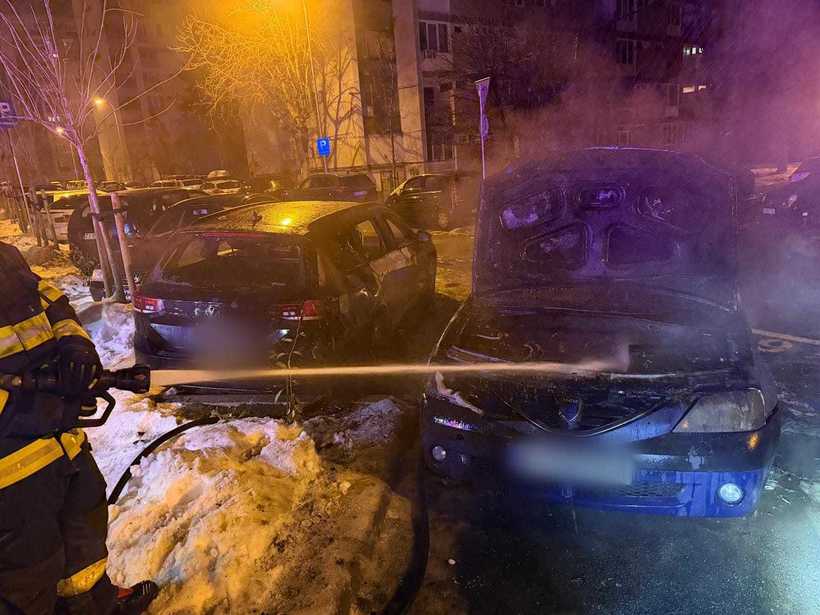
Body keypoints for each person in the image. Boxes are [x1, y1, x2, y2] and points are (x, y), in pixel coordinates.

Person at [0, 241, 157, 615]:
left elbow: (53, 304)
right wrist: (42, 409)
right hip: (10, 473)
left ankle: (96, 605)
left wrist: (77, 348)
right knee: (27, 571)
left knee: (83, 534)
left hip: (61, 444)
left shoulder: (5, 257)